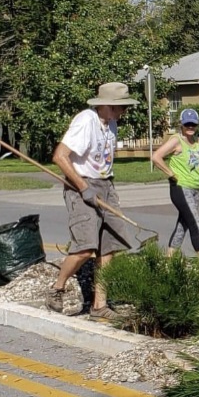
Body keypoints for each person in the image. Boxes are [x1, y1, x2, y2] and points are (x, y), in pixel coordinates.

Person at [45, 81, 137, 319]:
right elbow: (60, 156)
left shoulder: (111, 124)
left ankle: (99, 305)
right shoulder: (86, 120)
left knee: (109, 248)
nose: (123, 112)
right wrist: (84, 188)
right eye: (120, 107)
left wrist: (105, 188)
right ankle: (57, 289)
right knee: (86, 248)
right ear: (105, 105)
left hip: (106, 185)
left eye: (124, 107)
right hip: (81, 186)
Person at [150, 108, 199, 256]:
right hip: (180, 187)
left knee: (184, 224)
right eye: (187, 124)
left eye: (193, 125)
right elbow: (156, 157)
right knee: (194, 221)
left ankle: (170, 256)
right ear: (181, 125)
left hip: (195, 187)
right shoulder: (177, 140)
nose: (190, 128)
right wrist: (170, 173)